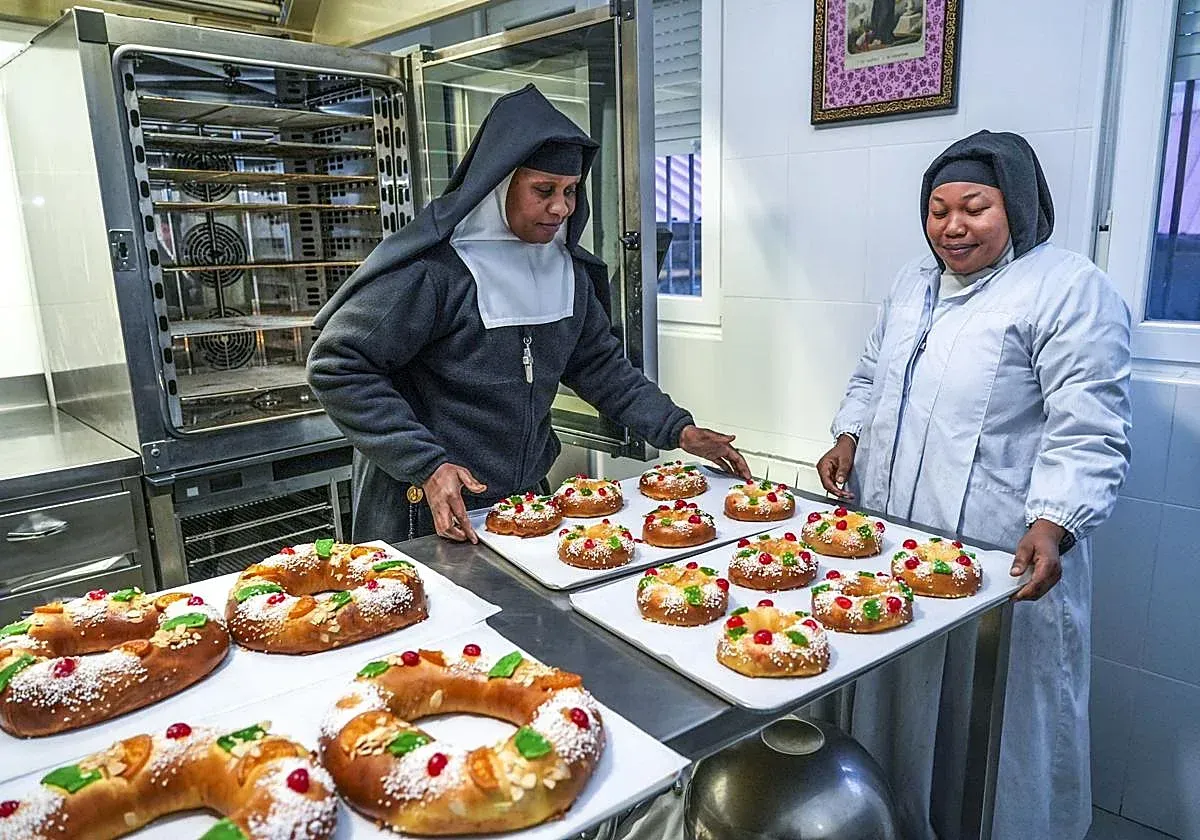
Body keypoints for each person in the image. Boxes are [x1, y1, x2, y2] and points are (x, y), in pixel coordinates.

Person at [815, 130, 1131, 839]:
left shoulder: (1065, 288)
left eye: (974, 207)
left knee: (994, 726)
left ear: (1014, 206)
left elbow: (1089, 420)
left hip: (1004, 554)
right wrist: (848, 437)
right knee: (902, 696)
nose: (952, 227)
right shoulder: (912, 285)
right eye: (938, 209)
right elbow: (871, 375)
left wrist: (1056, 520)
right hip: (899, 540)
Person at [308, 85, 750, 545]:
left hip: (522, 499)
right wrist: (426, 463)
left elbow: (599, 367)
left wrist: (677, 428)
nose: (561, 207)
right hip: (428, 504)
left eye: (571, 191)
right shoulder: (434, 274)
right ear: (500, 184)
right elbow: (338, 366)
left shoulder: (566, 274)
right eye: (544, 190)